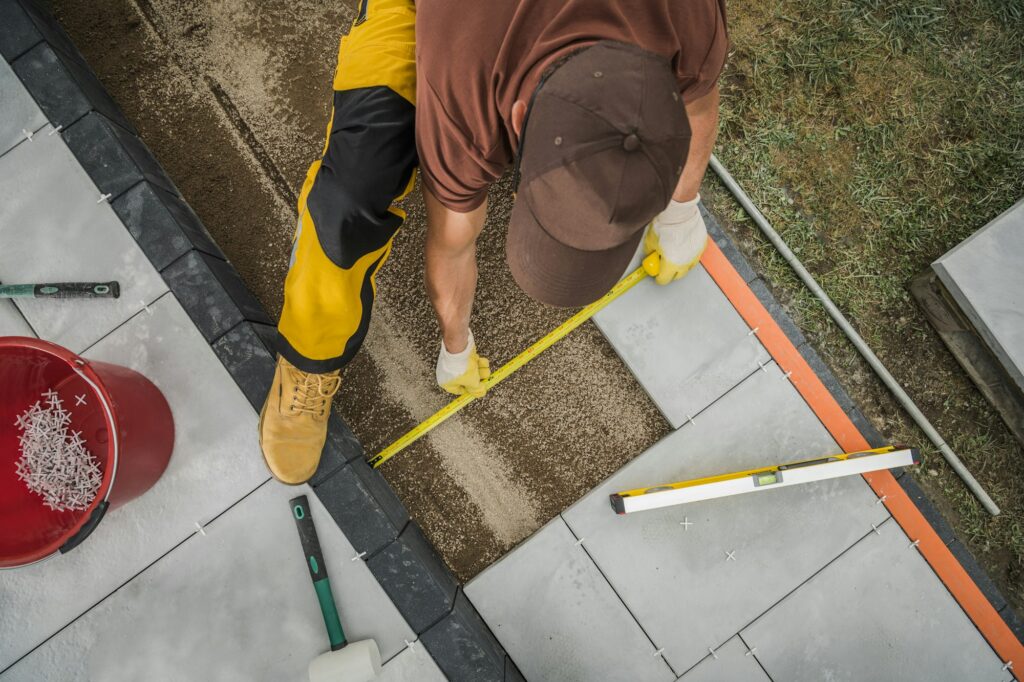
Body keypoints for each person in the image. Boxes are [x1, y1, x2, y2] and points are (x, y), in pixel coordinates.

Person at [259, 0, 729, 484]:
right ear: (519, 118)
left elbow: (697, 99)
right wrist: (455, 343)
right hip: (436, 17)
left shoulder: (687, 18)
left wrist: (680, 210)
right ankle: (308, 359)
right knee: (350, 195)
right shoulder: (464, 100)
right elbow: (452, 241)